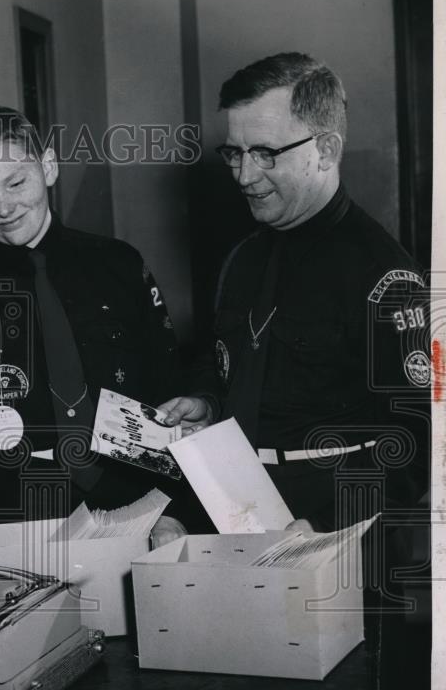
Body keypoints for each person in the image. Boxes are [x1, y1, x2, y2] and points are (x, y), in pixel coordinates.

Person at [157, 53, 430, 536]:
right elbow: (225, 365)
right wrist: (206, 402)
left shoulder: (384, 275)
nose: (244, 176)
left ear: (325, 150)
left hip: (334, 529)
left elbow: (420, 441)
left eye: (265, 153)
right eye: (234, 153)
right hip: (233, 504)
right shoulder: (242, 259)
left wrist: (325, 525)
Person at [0, 105, 191, 547]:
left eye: (16, 182)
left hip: (135, 501)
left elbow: (167, 392)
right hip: (16, 516)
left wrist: (173, 511)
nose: (4, 207)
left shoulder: (119, 265)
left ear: (48, 166)